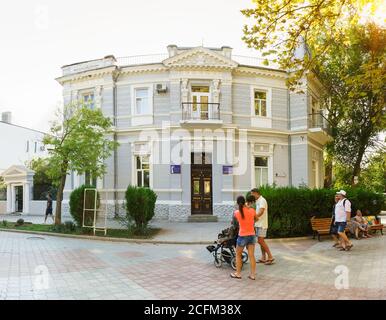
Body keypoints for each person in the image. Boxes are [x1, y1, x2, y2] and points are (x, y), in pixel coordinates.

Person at [230, 195, 258, 280]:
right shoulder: (252, 210)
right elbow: (257, 219)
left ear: (238, 203)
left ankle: (238, 274)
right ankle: (252, 275)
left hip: (242, 236)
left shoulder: (236, 213)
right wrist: (251, 222)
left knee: (238, 255)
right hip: (252, 235)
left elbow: (234, 225)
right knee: (251, 256)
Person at [251, 188, 275, 265]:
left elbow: (261, 212)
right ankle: (263, 257)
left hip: (262, 224)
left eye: (252, 194)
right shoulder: (258, 201)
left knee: (260, 241)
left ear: (256, 193)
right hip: (258, 224)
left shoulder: (262, 200)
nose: (252, 196)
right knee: (261, 241)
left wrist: (253, 217)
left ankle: (270, 257)